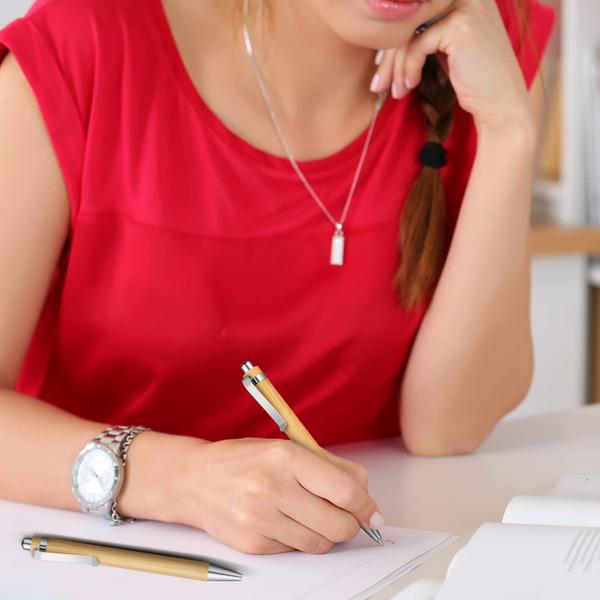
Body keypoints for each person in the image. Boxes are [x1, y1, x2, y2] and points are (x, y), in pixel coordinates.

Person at [0, 0, 554, 555]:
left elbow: (447, 429)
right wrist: (181, 480)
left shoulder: (487, 47)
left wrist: (509, 131)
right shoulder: (84, 48)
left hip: (364, 564)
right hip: (107, 563)